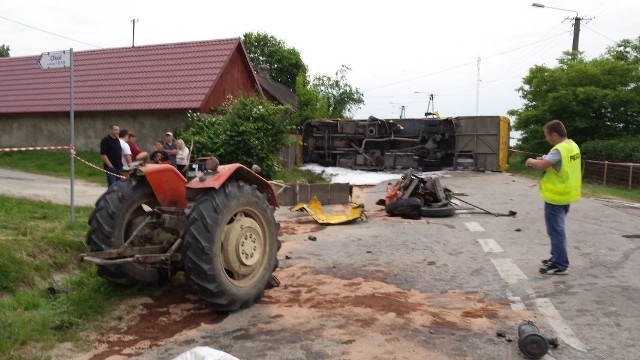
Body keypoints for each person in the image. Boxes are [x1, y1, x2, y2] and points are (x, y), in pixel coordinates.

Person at [525, 120, 581, 275]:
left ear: (554, 135)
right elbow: (557, 162)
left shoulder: (558, 150)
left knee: (556, 232)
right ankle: (556, 256)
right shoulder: (572, 146)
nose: (546, 139)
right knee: (556, 230)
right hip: (567, 195)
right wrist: (545, 158)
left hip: (555, 198)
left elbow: (540, 166)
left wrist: (530, 161)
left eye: (547, 136)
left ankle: (560, 264)